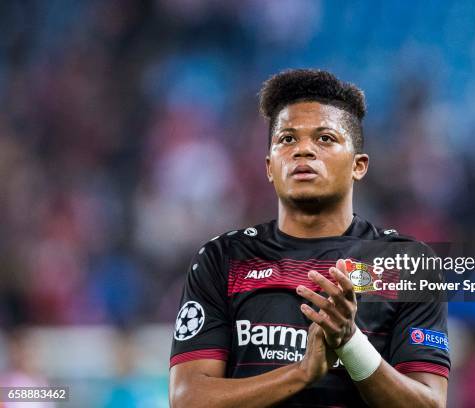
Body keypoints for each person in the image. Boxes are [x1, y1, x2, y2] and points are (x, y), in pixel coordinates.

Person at [169, 69, 450, 407]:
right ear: (270, 166)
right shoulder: (223, 259)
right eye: (287, 139)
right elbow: (188, 399)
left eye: (325, 138)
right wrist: (301, 372)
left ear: (358, 165)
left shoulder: (407, 265)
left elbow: (429, 403)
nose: (303, 150)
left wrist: (350, 344)